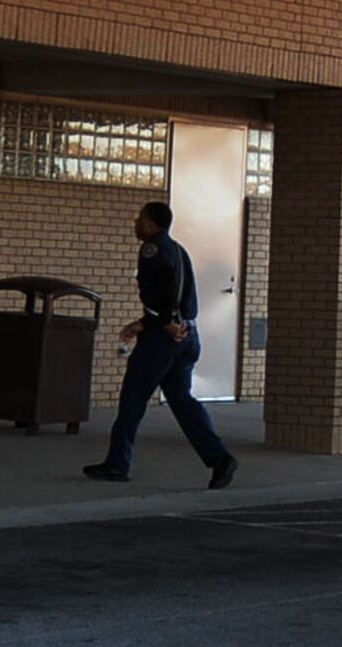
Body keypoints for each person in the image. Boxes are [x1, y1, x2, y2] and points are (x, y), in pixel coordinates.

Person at [88, 200, 238, 487]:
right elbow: (180, 293)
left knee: (133, 397)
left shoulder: (151, 250)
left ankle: (117, 464)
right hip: (188, 335)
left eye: (140, 219)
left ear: (152, 224)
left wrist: (165, 321)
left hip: (163, 339)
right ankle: (219, 458)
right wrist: (145, 323)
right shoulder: (179, 251)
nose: (136, 223)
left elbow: (163, 289)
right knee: (182, 400)